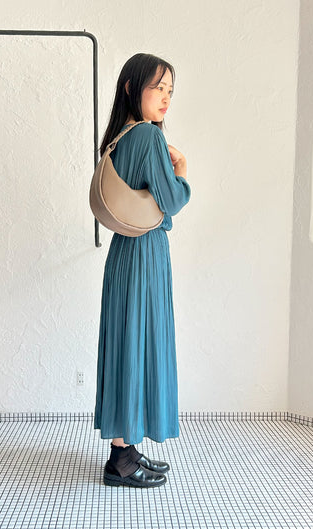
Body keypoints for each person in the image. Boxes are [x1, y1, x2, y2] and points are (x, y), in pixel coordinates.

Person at [93, 53, 191, 488]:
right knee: (138, 343)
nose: (166, 97)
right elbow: (172, 201)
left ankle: (127, 450)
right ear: (132, 88)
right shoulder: (149, 136)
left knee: (125, 343)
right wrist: (182, 171)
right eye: (158, 87)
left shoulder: (118, 137)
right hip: (145, 254)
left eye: (171, 90)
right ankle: (121, 462)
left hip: (123, 254)